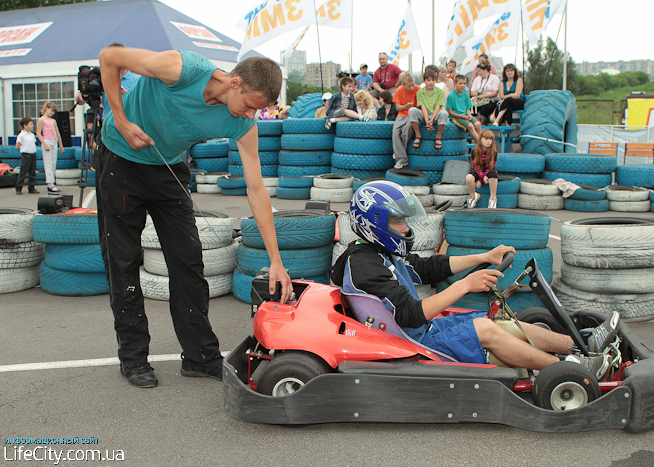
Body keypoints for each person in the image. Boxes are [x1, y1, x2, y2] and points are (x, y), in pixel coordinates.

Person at [96, 46, 292, 388]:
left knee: (188, 262)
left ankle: (200, 357)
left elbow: (257, 189)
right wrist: (122, 120)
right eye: (249, 105)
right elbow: (110, 58)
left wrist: (276, 259)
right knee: (123, 262)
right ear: (234, 83)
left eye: (258, 110)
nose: (249, 116)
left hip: (167, 168)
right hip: (121, 158)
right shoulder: (181, 68)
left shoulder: (245, 124)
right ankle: (133, 358)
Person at [330, 180, 619, 377]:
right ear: (374, 224)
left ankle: (581, 344)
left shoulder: (375, 253)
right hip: (409, 344)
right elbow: (409, 314)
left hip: (421, 331)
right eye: (397, 221)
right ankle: (574, 369)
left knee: (497, 321)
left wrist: (484, 256)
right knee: (486, 329)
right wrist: (465, 285)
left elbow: (428, 267)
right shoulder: (363, 264)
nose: (405, 228)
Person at [409, 69, 449, 151]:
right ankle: (418, 135)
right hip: (424, 115)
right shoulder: (420, 92)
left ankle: (438, 136)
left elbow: (438, 106)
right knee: (412, 110)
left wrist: (432, 119)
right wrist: (427, 121)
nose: (431, 82)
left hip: (436, 115)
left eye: (433, 80)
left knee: (444, 113)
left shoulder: (440, 92)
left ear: (436, 81)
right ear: (424, 81)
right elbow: (423, 107)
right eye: (429, 80)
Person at [391, 73, 419, 169]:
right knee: (395, 132)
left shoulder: (418, 89)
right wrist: (406, 106)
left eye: (412, 85)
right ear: (403, 85)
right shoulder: (399, 91)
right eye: (409, 86)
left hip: (413, 114)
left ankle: (400, 155)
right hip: (402, 114)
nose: (411, 88)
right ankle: (402, 156)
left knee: (406, 130)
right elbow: (398, 107)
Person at [465, 129, 499, 209]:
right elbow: (475, 167)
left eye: (490, 139)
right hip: (478, 171)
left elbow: (491, 167)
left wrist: (485, 176)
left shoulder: (494, 152)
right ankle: (473, 197)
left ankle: (492, 199)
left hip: (488, 172)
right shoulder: (474, 151)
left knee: (493, 174)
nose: (488, 141)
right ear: (480, 140)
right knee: (469, 177)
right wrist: (480, 179)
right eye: (486, 139)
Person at [37, 102, 65, 193]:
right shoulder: (41, 120)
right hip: (47, 140)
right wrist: (45, 144)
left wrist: (61, 146)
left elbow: (58, 133)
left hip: (54, 141)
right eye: (51, 110)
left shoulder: (53, 121)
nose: (52, 113)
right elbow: (38, 133)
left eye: (53, 111)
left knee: (53, 161)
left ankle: (51, 181)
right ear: (46, 108)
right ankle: (50, 183)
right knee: (48, 162)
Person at [446, 74, 481, 142]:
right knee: (470, 126)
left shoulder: (465, 94)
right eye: (460, 83)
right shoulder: (451, 95)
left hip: (465, 115)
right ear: (455, 84)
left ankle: (478, 143)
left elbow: (468, 108)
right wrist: (461, 116)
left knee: (478, 124)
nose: (463, 85)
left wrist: (469, 115)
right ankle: (481, 144)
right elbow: (450, 111)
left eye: (464, 83)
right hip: (456, 116)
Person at [14, 117, 40, 195]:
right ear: (25, 125)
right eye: (31, 124)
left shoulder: (32, 135)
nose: (32, 126)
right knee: (23, 172)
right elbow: (18, 146)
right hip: (26, 155)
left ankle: (31, 187)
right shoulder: (21, 135)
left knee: (32, 172)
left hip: (33, 155)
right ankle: (19, 188)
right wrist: (24, 150)